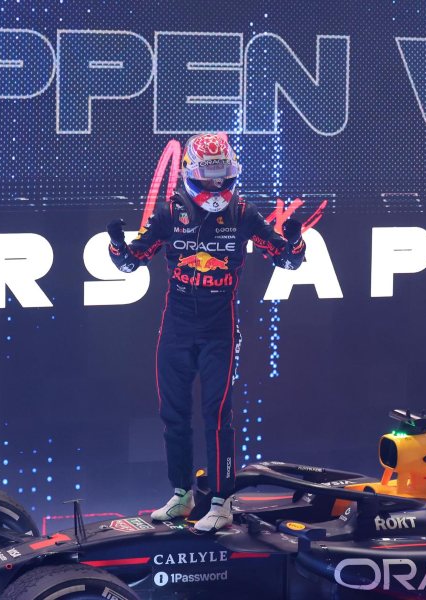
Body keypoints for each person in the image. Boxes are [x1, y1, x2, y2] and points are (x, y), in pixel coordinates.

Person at [107, 133, 306, 532]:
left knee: (218, 416)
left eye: (223, 178)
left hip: (220, 327)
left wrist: (296, 242)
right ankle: (182, 494)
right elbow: (131, 264)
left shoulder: (244, 212)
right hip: (177, 326)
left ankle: (221, 500)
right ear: (191, 175)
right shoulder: (169, 212)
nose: (216, 187)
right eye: (209, 178)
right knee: (173, 414)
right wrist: (116, 244)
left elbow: (288, 262)